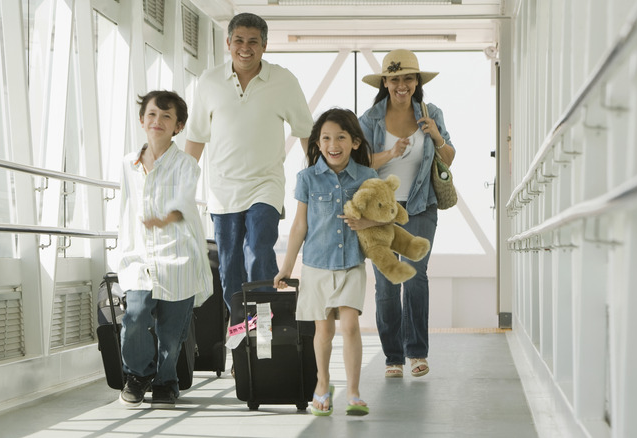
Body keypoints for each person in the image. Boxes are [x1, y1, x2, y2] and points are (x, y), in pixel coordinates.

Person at [185, 12, 313, 311]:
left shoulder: (283, 80)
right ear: (228, 43)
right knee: (230, 268)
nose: (246, 47)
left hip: (265, 186)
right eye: (239, 40)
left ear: (264, 46)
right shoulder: (209, 81)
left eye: (253, 42)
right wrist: (182, 189)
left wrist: (317, 177)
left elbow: (307, 133)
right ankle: (241, 330)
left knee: (258, 251)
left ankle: (263, 325)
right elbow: (195, 137)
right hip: (222, 192)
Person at [356, 49, 455, 379]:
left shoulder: (432, 112)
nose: (402, 85)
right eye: (395, 79)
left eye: (408, 78)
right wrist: (390, 153)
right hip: (380, 213)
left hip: (420, 207)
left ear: (417, 82)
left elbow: (449, 158)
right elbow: (359, 164)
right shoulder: (369, 119)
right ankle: (393, 357)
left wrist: (436, 135)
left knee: (414, 277)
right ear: (385, 82)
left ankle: (416, 353)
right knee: (386, 286)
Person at [274, 108, 376, 417]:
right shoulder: (306, 178)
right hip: (317, 266)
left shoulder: (368, 178)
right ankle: (323, 383)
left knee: (350, 325)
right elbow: (299, 226)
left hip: (351, 265)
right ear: (317, 144)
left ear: (355, 142)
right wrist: (287, 268)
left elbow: (385, 220)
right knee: (324, 333)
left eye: (341, 137)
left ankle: (355, 392)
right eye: (326, 138)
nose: (334, 144)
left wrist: (366, 222)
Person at [116, 90, 213, 408]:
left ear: (179, 126)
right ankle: (137, 374)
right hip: (139, 257)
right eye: (152, 114)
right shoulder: (127, 165)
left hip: (177, 257)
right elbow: (123, 208)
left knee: (172, 333)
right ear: (142, 120)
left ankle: (166, 381)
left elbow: (183, 203)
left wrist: (165, 217)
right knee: (135, 315)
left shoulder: (186, 165)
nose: (157, 121)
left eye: (166, 116)